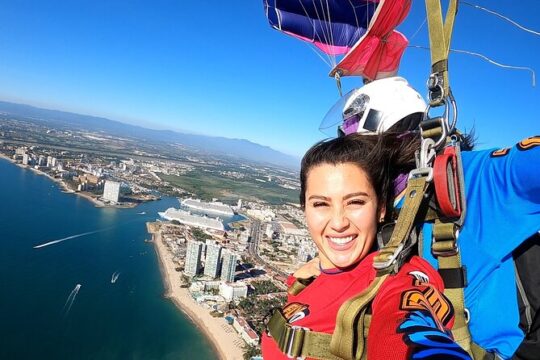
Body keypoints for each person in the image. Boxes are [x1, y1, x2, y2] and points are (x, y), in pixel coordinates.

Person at [335, 76, 540, 359]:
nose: (349, 162)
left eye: (356, 148)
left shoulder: (476, 180)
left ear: (392, 140)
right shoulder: (375, 204)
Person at [262, 133, 470, 359]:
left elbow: (408, 328)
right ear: (305, 209)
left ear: (381, 209)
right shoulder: (306, 280)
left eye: (356, 202)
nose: (339, 222)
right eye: (321, 204)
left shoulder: (396, 280)